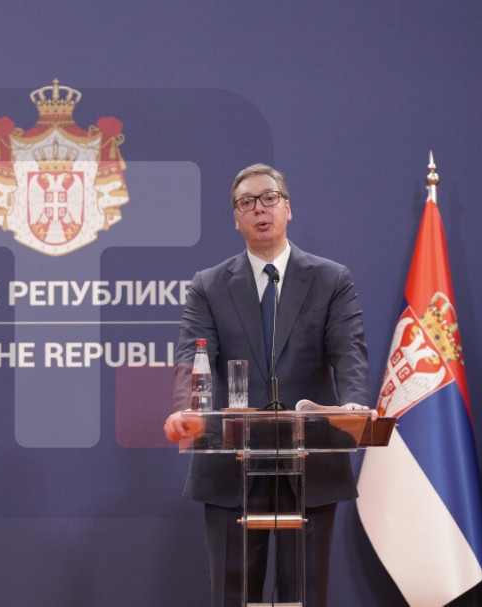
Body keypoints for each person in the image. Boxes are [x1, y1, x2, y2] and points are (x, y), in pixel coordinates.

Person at [163, 164, 372, 607]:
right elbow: (193, 356)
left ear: (287, 208)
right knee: (232, 595)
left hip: (310, 456)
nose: (260, 208)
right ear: (235, 219)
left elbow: (349, 351)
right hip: (231, 458)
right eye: (247, 202)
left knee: (306, 594)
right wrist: (187, 410)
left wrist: (354, 404)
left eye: (269, 198)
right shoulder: (208, 285)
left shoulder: (331, 279)